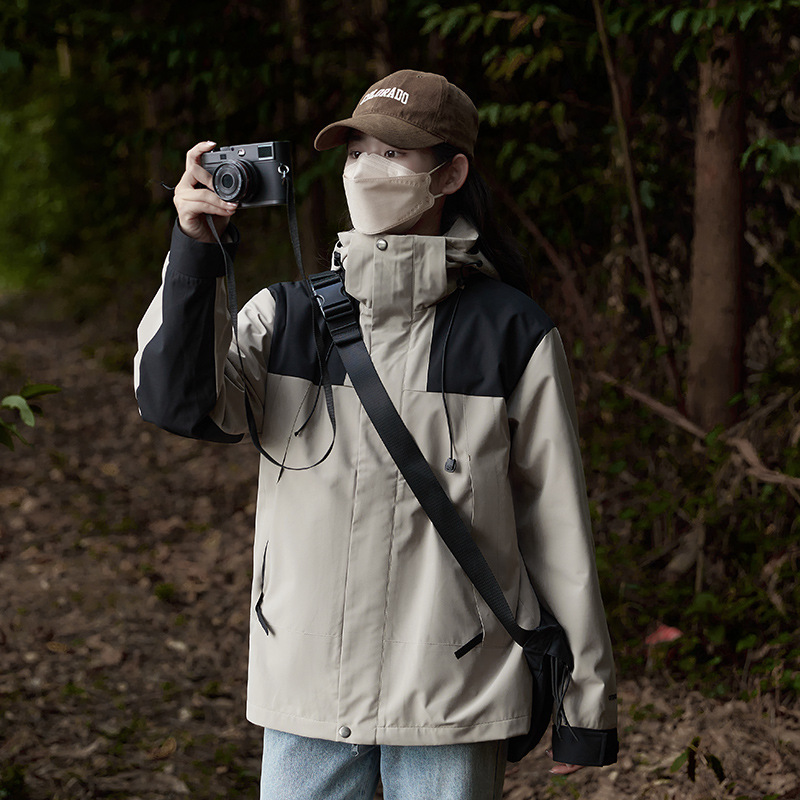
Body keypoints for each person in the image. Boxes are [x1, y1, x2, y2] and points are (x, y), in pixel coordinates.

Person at [134, 69, 618, 800]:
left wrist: (585, 706)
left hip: (454, 693)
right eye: (356, 151)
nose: (365, 169)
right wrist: (194, 249)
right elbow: (178, 402)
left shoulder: (511, 333)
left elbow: (556, 528)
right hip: (306, 684)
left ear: (450, 173)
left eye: (394, 153)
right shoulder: (284, 317)